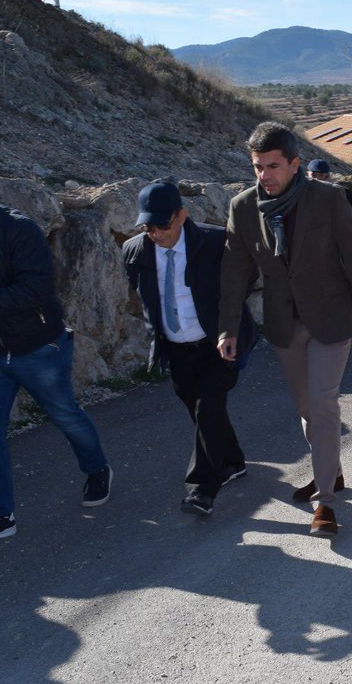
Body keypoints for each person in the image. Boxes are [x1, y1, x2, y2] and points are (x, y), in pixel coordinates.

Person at [218, 122, 352, 538]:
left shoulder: (328, 199)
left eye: (272, 166)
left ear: (294, 164)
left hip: (330, 318)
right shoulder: (243, 206)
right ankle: (331, 469)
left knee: (322, 404)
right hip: (284, 323)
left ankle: (325, 502)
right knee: (306, 407)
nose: (264, 175)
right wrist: (227, 328)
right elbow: (235, 271)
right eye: (257, 167)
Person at [0, 158, 112, 549]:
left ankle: (97, 468)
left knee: (66, 416)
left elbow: (34, 290)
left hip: (39, 348)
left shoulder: (18, 228)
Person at [122, 182, 254, 517]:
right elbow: (146, 298)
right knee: (202, 413)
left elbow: (245, 278)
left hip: (218, 345)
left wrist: (228, 327)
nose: (155, 233)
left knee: (208, 409)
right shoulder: (135, 252)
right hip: (176, 349)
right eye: (148, 227)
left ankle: (201, 490)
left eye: (162, 225)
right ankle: (233, 461)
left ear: (181, 215)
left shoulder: (215, 242)